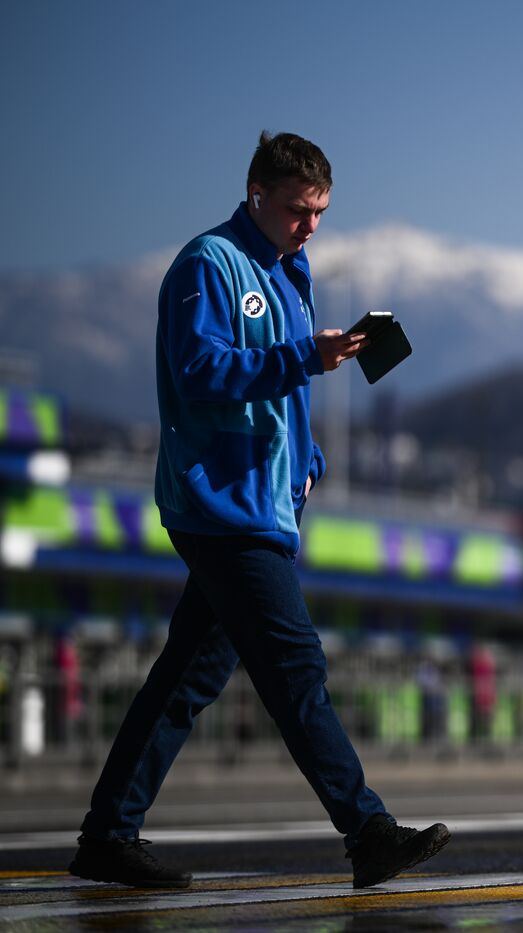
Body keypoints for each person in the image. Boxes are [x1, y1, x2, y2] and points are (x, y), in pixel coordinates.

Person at [69, 132, 449, 889]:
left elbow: (287, 396)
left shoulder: (288, 269)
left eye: (320, 212)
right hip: (219, 503)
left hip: (263, 502)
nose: (310, 226)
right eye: (298, 210)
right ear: (255, 196)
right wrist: (304, 356)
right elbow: (200, 369)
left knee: (188, 676)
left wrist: (308, 459)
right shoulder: (207, 265)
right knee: (295, 664)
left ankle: (108, 834)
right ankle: (366, 829)